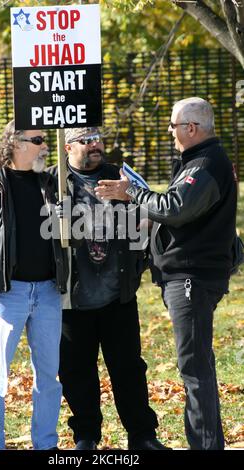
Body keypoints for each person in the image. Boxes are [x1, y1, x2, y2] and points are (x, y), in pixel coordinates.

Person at [95, 97, 237, 450]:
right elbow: (178, 213)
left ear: (191, 128)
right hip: (186, 275)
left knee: (194, 370)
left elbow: (176, 208)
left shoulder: (206, 163)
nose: (170, 132)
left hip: (192, 277)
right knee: (196, 366)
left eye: (173, 125)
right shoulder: (195, 162)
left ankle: (205, 446)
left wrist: (134, 193)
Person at [48, 127, 169, 451]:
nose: (95, 145)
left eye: (98, 138)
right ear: (68, 147)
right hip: (72, 298)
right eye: (86, 140)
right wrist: (51, 215)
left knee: (129, 369)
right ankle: (86, 435)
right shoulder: (52, 182)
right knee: (76, 372)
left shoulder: (121, 176)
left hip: (118, 294)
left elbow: (155, 215)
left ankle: (142, 435)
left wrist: (131, 203)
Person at [0, 120, 68, 450]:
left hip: (48, 292)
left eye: (45, 140)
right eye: (38, 140)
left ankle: (46, 446)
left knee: (49, 377)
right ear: (15, 143)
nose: (45, 146)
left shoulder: (52, 185)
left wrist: (68, 211)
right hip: (5, 294)